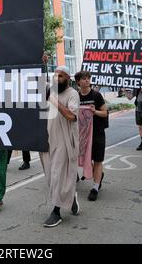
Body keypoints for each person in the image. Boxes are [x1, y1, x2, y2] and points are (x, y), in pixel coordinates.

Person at [41, 65, 80, 228]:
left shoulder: (73, 94)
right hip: (47, 140)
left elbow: (72, 116)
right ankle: (70, 197)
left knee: (57, 175)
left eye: (61, 76)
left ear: (68, 79)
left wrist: (55, 102)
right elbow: (36, 79)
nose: (57, 78)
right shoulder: (49, 90)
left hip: (64, 141)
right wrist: (41, 62)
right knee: (51, 176)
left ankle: (56, 212)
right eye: (55, 75)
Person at [75, 71, 108, 201]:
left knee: (98, 160)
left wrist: (95, 111)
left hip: (97, 133)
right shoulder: (76, 96)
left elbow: (105, 113)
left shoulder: (96, 95)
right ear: (78, 82)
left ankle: (95, 187)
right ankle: (99, 175)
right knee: (87, 158)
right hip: (82, 134)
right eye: (84, 79)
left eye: (88, 78)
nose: (87, 80)